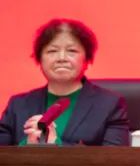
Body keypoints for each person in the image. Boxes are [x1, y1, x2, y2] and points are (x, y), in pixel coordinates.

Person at [0, 18, 129, 146]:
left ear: (86, 59)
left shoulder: (109, 105)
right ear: (40, 59)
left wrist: (56, 144)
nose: (61, 58)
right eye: (52, 51)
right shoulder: (17, 105)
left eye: (72, 51)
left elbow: (114, 157)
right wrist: (27, 145)